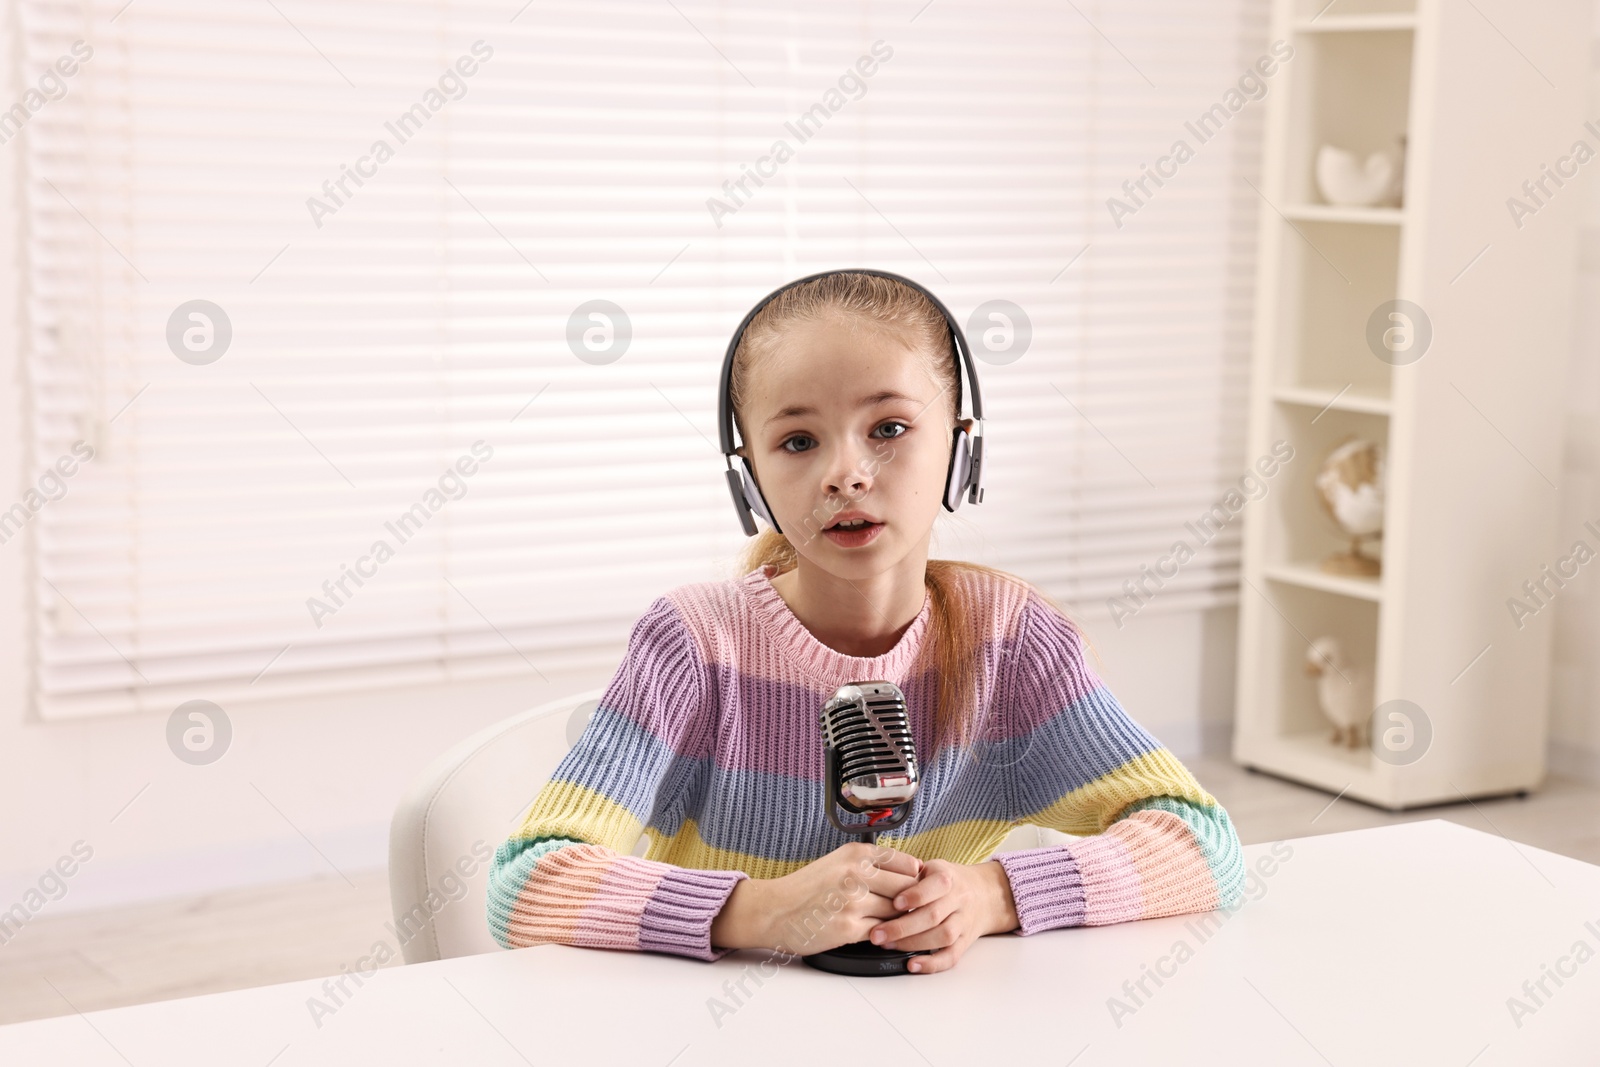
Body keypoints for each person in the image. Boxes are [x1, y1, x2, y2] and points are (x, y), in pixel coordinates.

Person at [486, 270, 1243, 974]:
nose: (845, 472)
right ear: (749, 474)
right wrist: (763, 910)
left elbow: (1204, 845)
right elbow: (524, 884)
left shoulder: (1009, 643)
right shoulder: (695, 646)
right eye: (798, 441)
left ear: (959, 440)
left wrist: (990, 895)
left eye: (888, 428)